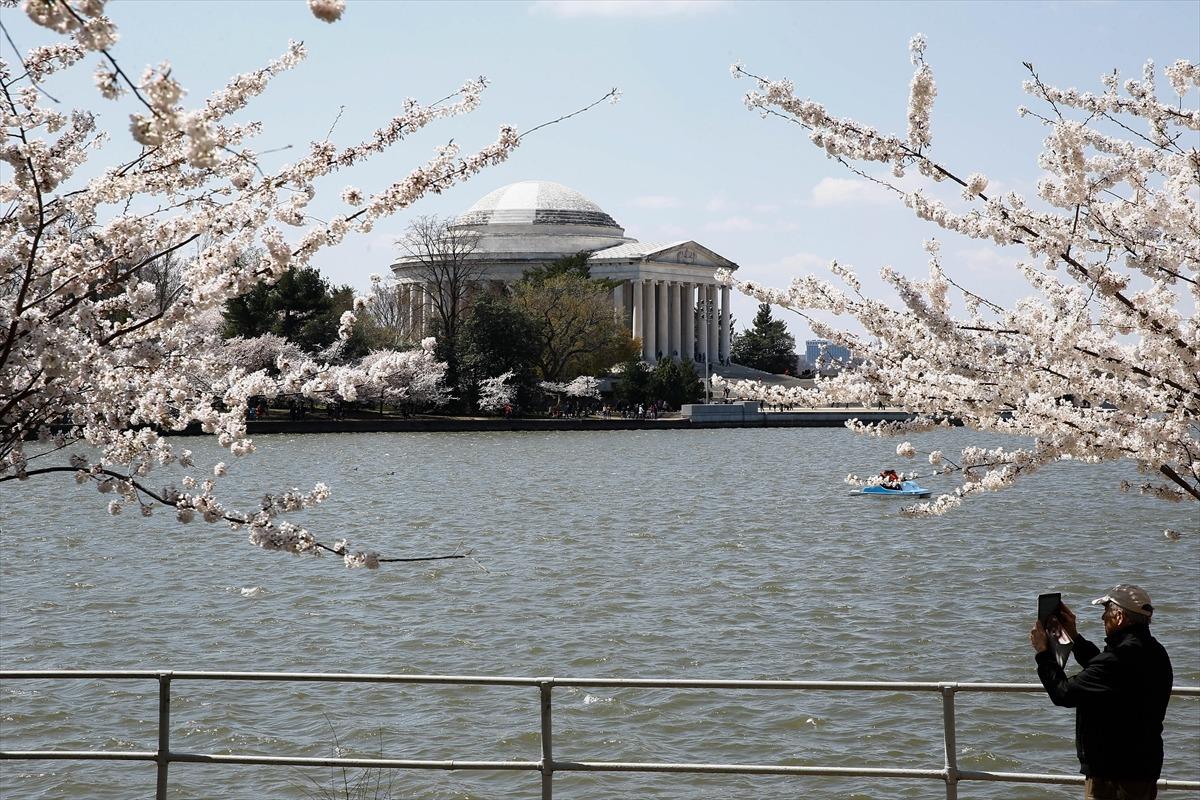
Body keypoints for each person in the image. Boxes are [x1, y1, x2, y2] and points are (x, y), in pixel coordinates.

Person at [1030, 584, 1173, 800]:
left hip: (1113, 774)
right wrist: (1074, 637)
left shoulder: (1117, 660)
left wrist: (1043, 654)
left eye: (1106, 611)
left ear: (1120, 617)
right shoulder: (1154, 651)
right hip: (1143, 767)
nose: (1102, 618)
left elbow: (1063, 693)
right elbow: (1106, 675)